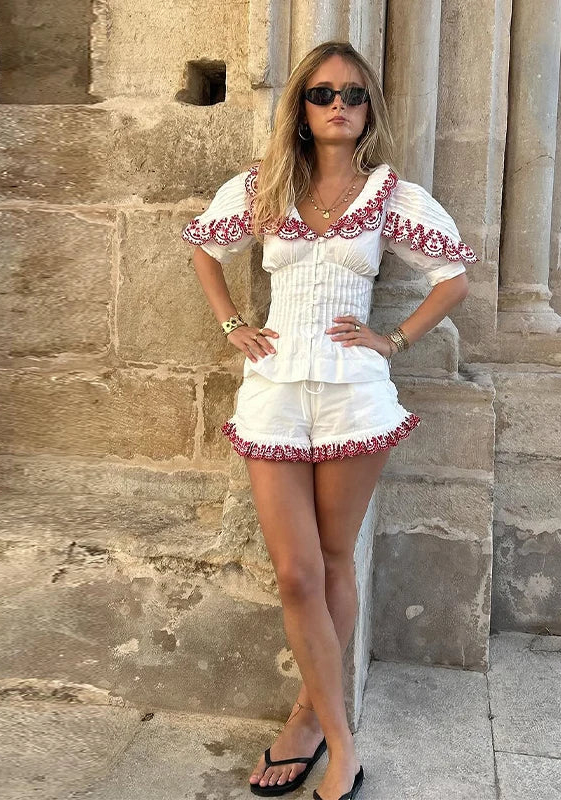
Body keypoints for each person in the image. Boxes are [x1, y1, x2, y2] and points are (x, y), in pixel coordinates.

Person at [181, 39, 477, 800]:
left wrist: (394, 338)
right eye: (322, 94)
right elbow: (204, 253)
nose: (338, 105)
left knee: (336, 561)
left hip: (353, 388)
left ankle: (315, 728)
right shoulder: (264, 187)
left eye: (352, 94)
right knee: (295, 571)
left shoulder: (393, 195)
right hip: (275, 388)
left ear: (369, 108)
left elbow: (453, 279)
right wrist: (230, 326)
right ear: (302, 111)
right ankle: (337, 734)